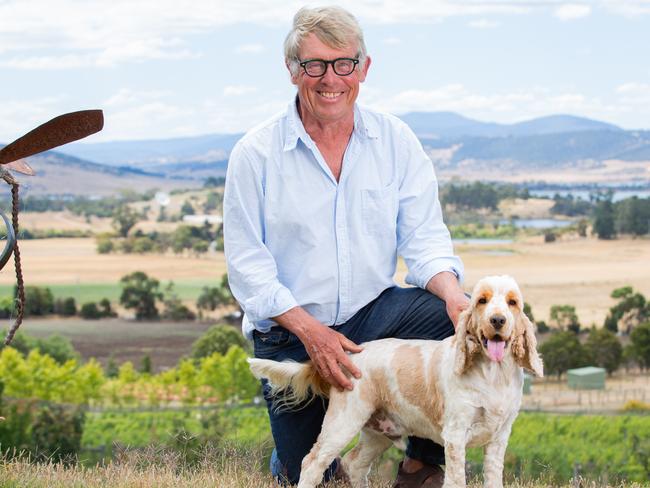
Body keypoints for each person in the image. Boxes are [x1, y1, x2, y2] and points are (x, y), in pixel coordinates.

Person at [223, 6, 469, 487]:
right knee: (316, 475)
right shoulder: (255, 154)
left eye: (343, 64)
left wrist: (455, 292)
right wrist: (310, 330)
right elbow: (249, 268)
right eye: (314, 65)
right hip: (291, 331)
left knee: (451, 317)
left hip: (374, 315)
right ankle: (288, 460)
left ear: (364, 68)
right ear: (293, 70)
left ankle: (420, 464)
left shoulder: (395, 140)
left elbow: (423, 239)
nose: (330, 78)